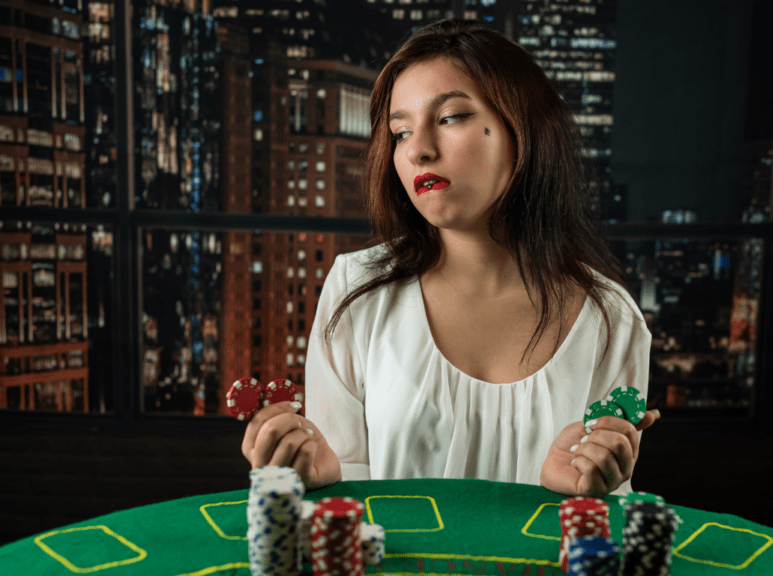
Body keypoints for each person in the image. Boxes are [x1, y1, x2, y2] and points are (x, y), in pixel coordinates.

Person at [241, 19, 659, 497]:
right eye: (400, 132)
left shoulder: (611, 319)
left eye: (449, 118)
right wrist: (311, 475)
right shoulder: (354, 291)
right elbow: (342, 492)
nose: (418, 150)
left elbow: (606, 532)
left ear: (522, 129)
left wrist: (588, 489)